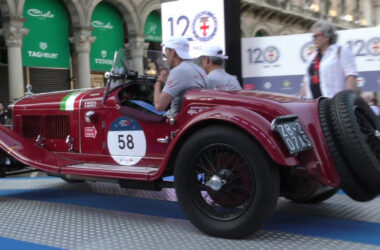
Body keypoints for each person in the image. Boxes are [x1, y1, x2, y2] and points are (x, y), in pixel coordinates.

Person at [300, 21, 358, 99]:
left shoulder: (341, 51)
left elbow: (351, 76)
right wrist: (300, 100)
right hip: (312, 104)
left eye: (316, 36)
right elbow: (306, 81)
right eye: (313, 36)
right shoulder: (312, 56)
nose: (314, 39)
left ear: (327, 36)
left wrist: (347, 102)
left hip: (333, 103)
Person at [154, 36, 207, 118]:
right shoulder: (200, 70)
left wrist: (158, 83)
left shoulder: (179, 71)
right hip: (192, 117)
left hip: (174, 121)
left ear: (173, 52)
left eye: (166, 53)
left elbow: (159, 106)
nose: (166, 57)